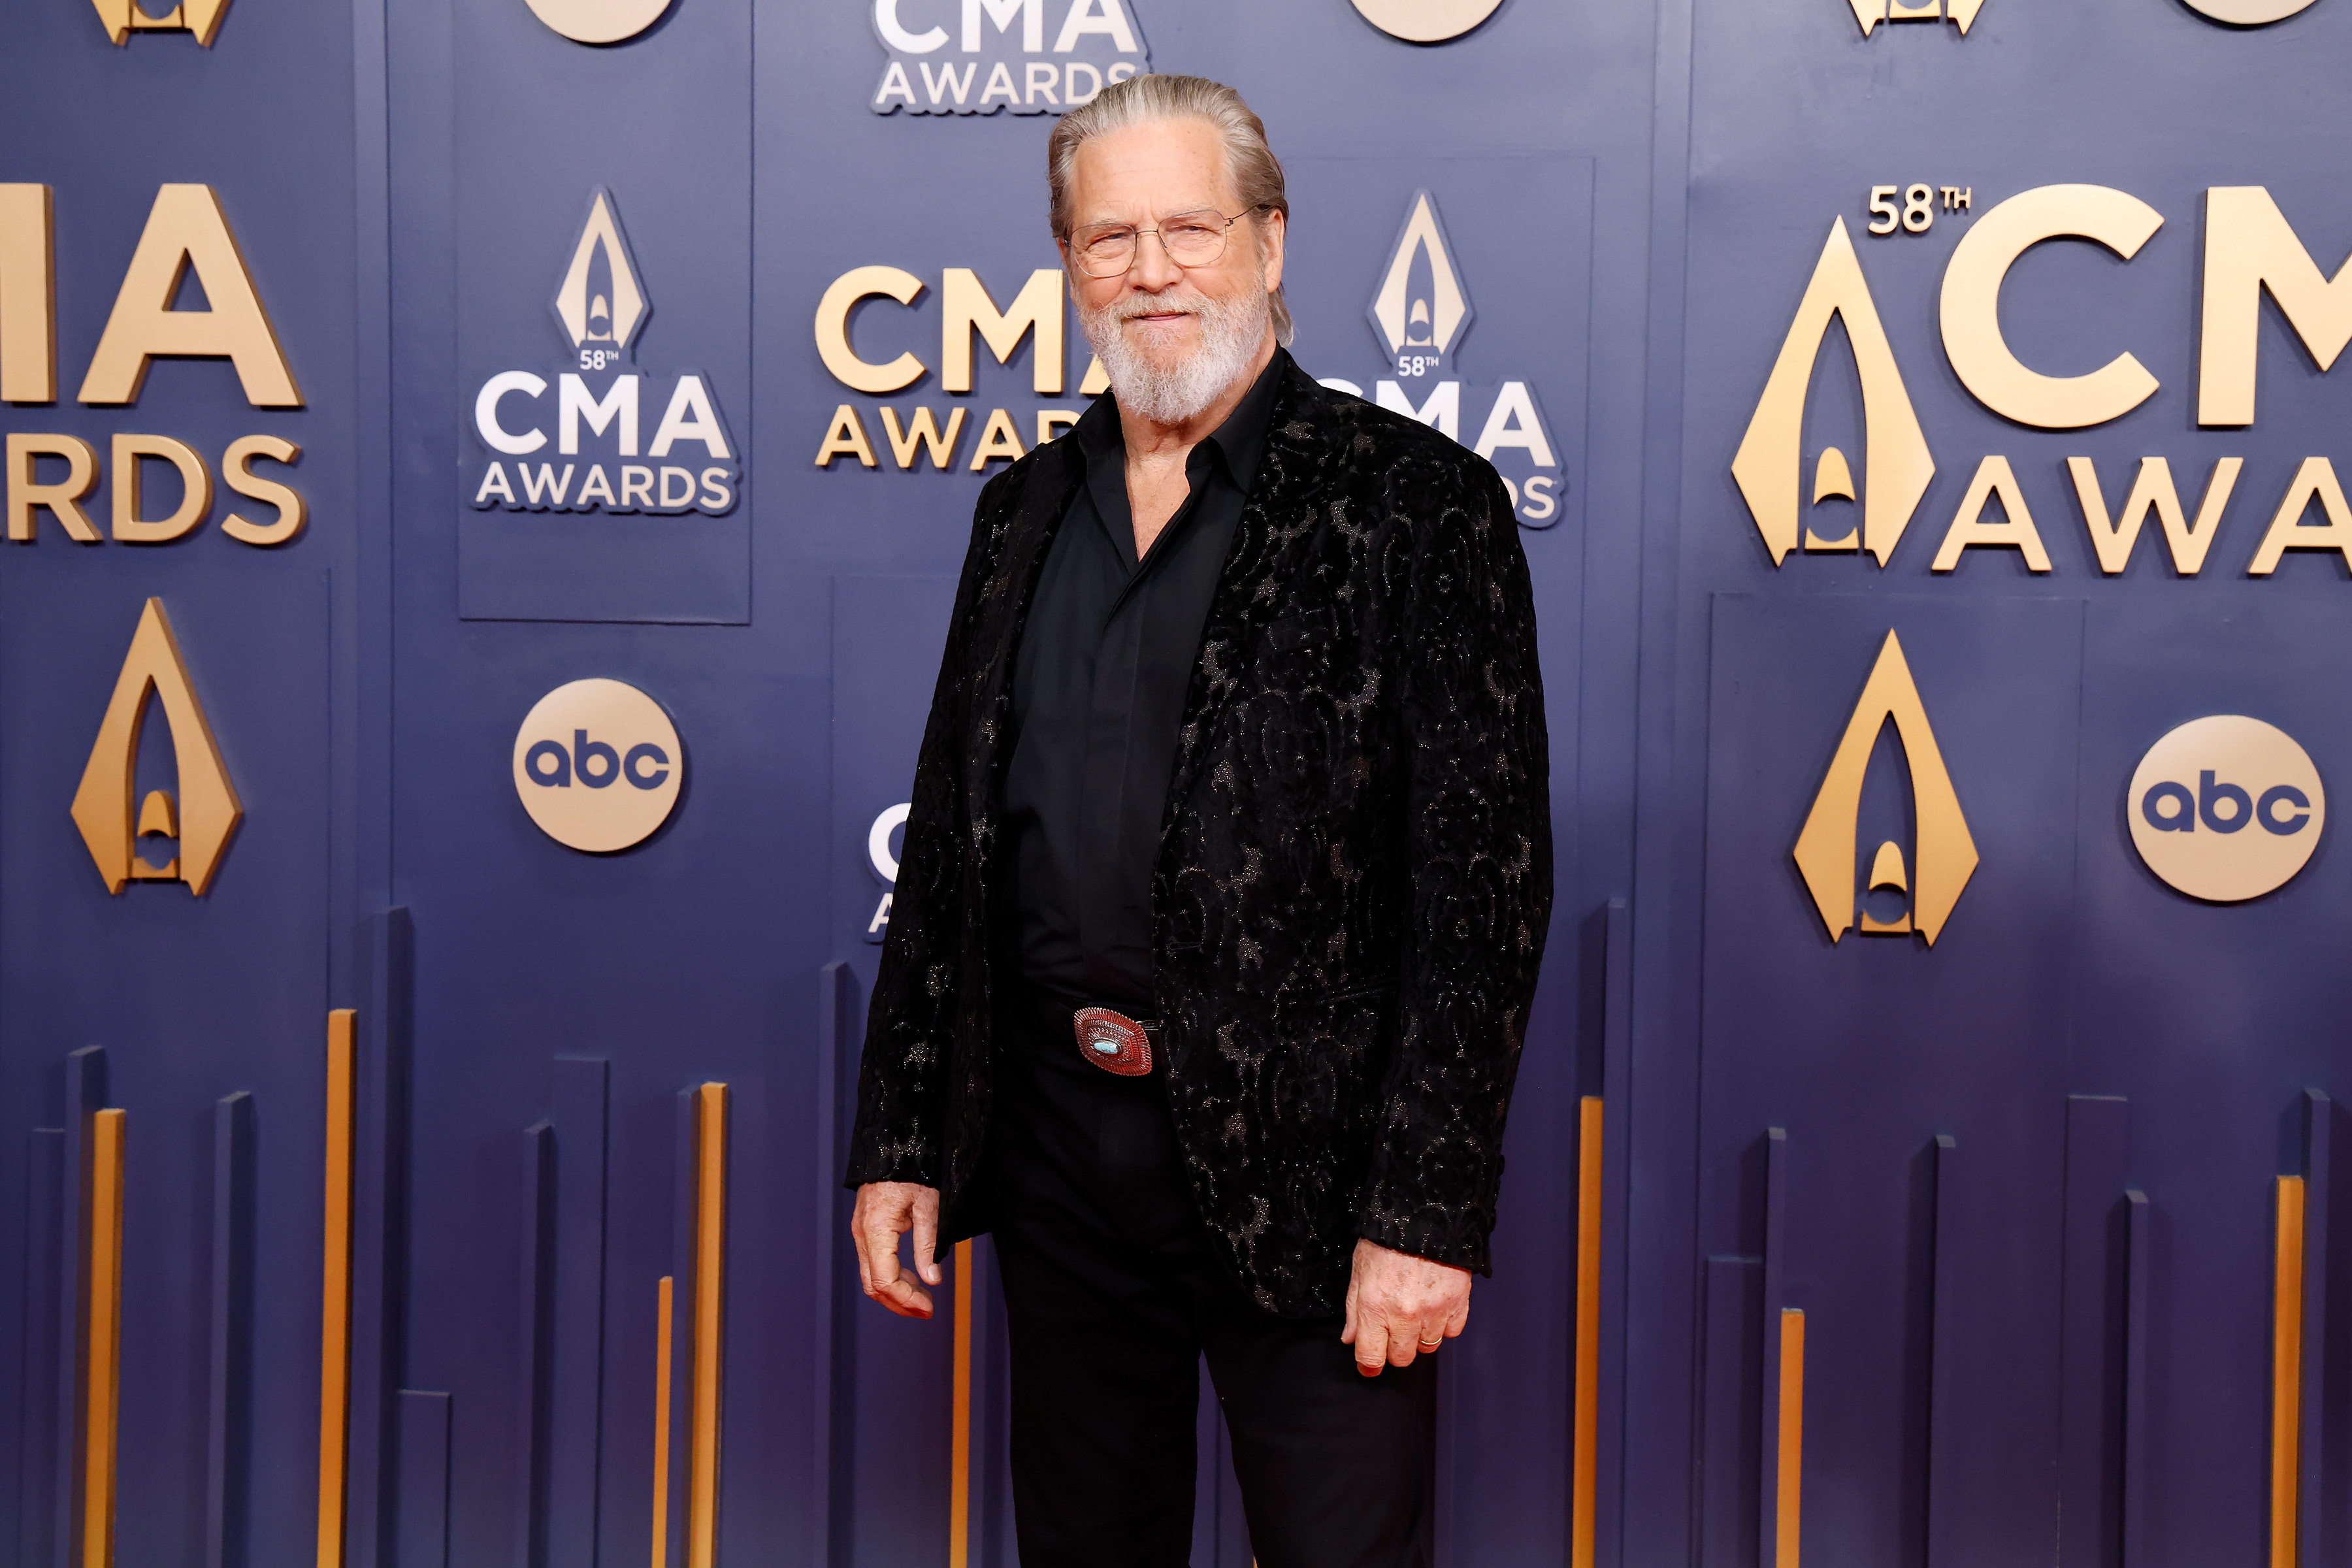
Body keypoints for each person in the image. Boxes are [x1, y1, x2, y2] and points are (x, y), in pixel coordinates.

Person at [844, 73, 1552, 1568]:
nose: (1150, 271)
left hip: (1316, 1182)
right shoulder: (1019, 511)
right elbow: (957, 852)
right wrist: (905, 1134)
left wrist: (1424, 1214)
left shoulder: (1417, 506)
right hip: (1055, 1152)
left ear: (1271, 244)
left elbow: (1481, 893)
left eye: (1189, 227)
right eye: (1110, 239)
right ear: (1069, 266)